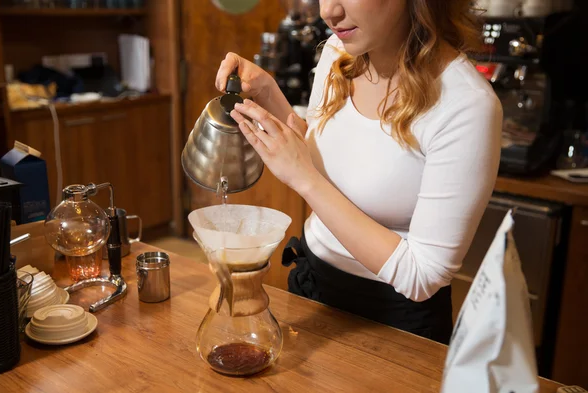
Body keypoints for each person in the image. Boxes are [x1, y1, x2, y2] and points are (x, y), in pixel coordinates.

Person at [215, 0, 502, 345]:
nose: (327, 12)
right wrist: (268, 94)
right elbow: (336, 161)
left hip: (394, 323)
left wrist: (304, 179)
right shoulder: (340, 52)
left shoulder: (466, 105)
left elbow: (423, 275)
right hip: (313, 285)